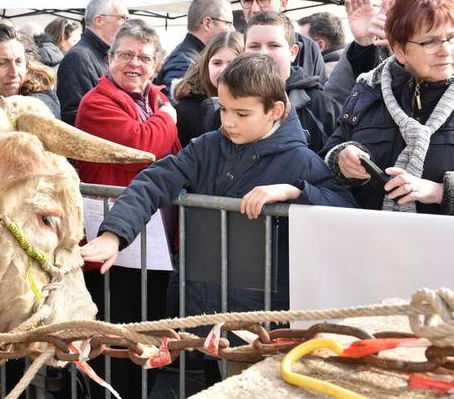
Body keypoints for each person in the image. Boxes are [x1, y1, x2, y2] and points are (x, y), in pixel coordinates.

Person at [81, 53, 356, 387]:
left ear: (276, 111)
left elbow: (344, 209)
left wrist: (296, 191)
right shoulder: (206, 148)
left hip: (260, 322)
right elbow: (153, 181)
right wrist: (114, 234)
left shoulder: (302, 162)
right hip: (198, 308)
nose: (229, 122)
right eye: (223, 109)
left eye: (242, 113)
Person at [74, 20, 180, 399]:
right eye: (125, 54)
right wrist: (168, 118)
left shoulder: (156, 100)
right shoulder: (97, 103)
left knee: (148, 337)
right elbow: (145, 146)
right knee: (115, 339)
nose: (134, 63)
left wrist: (164, 115)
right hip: (112, 246)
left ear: (156, 64)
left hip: (155, 246)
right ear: (109, 59)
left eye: (144, 58)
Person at [322, 0, 454, 215]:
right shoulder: (368, 89)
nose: (445, 50)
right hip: (370, 243)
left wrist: (440, 191)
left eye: (451, 37)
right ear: (399, 49)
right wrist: (341, 160)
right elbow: (329, 152)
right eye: (430, 42)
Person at [324, 0, 433, 109]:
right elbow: (334, 101)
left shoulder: (445, 39)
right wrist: (363, 45)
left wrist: (404, 52)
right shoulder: (373, 44)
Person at [245, 11, 337, 153]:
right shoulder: (227, 104)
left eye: (273, 45)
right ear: (243, 52)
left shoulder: (321, 107)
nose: (263, 53)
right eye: (254, 46)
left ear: (293, 52)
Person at [239, 0, 327, 83]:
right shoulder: (231, 44)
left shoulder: (308, 48)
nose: (255, 8)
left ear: (283, 2)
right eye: (247, 0)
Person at [56, 0, 128, 126]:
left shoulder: (105, 54)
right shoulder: (77, 58)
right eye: (122, 17)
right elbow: (74, 116)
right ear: (99, 20)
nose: (126, 23)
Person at [156, 0, 234, 99]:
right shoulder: (183, 61)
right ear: (208, 23)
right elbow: (175, 104)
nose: (231, 30)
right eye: (228, 23)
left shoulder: (190, 55)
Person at [173, 31, 243, 146]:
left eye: (232, 63)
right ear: (206, 65)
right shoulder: (186, 109)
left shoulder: (256, 105)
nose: (223, 70)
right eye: (217, 63)